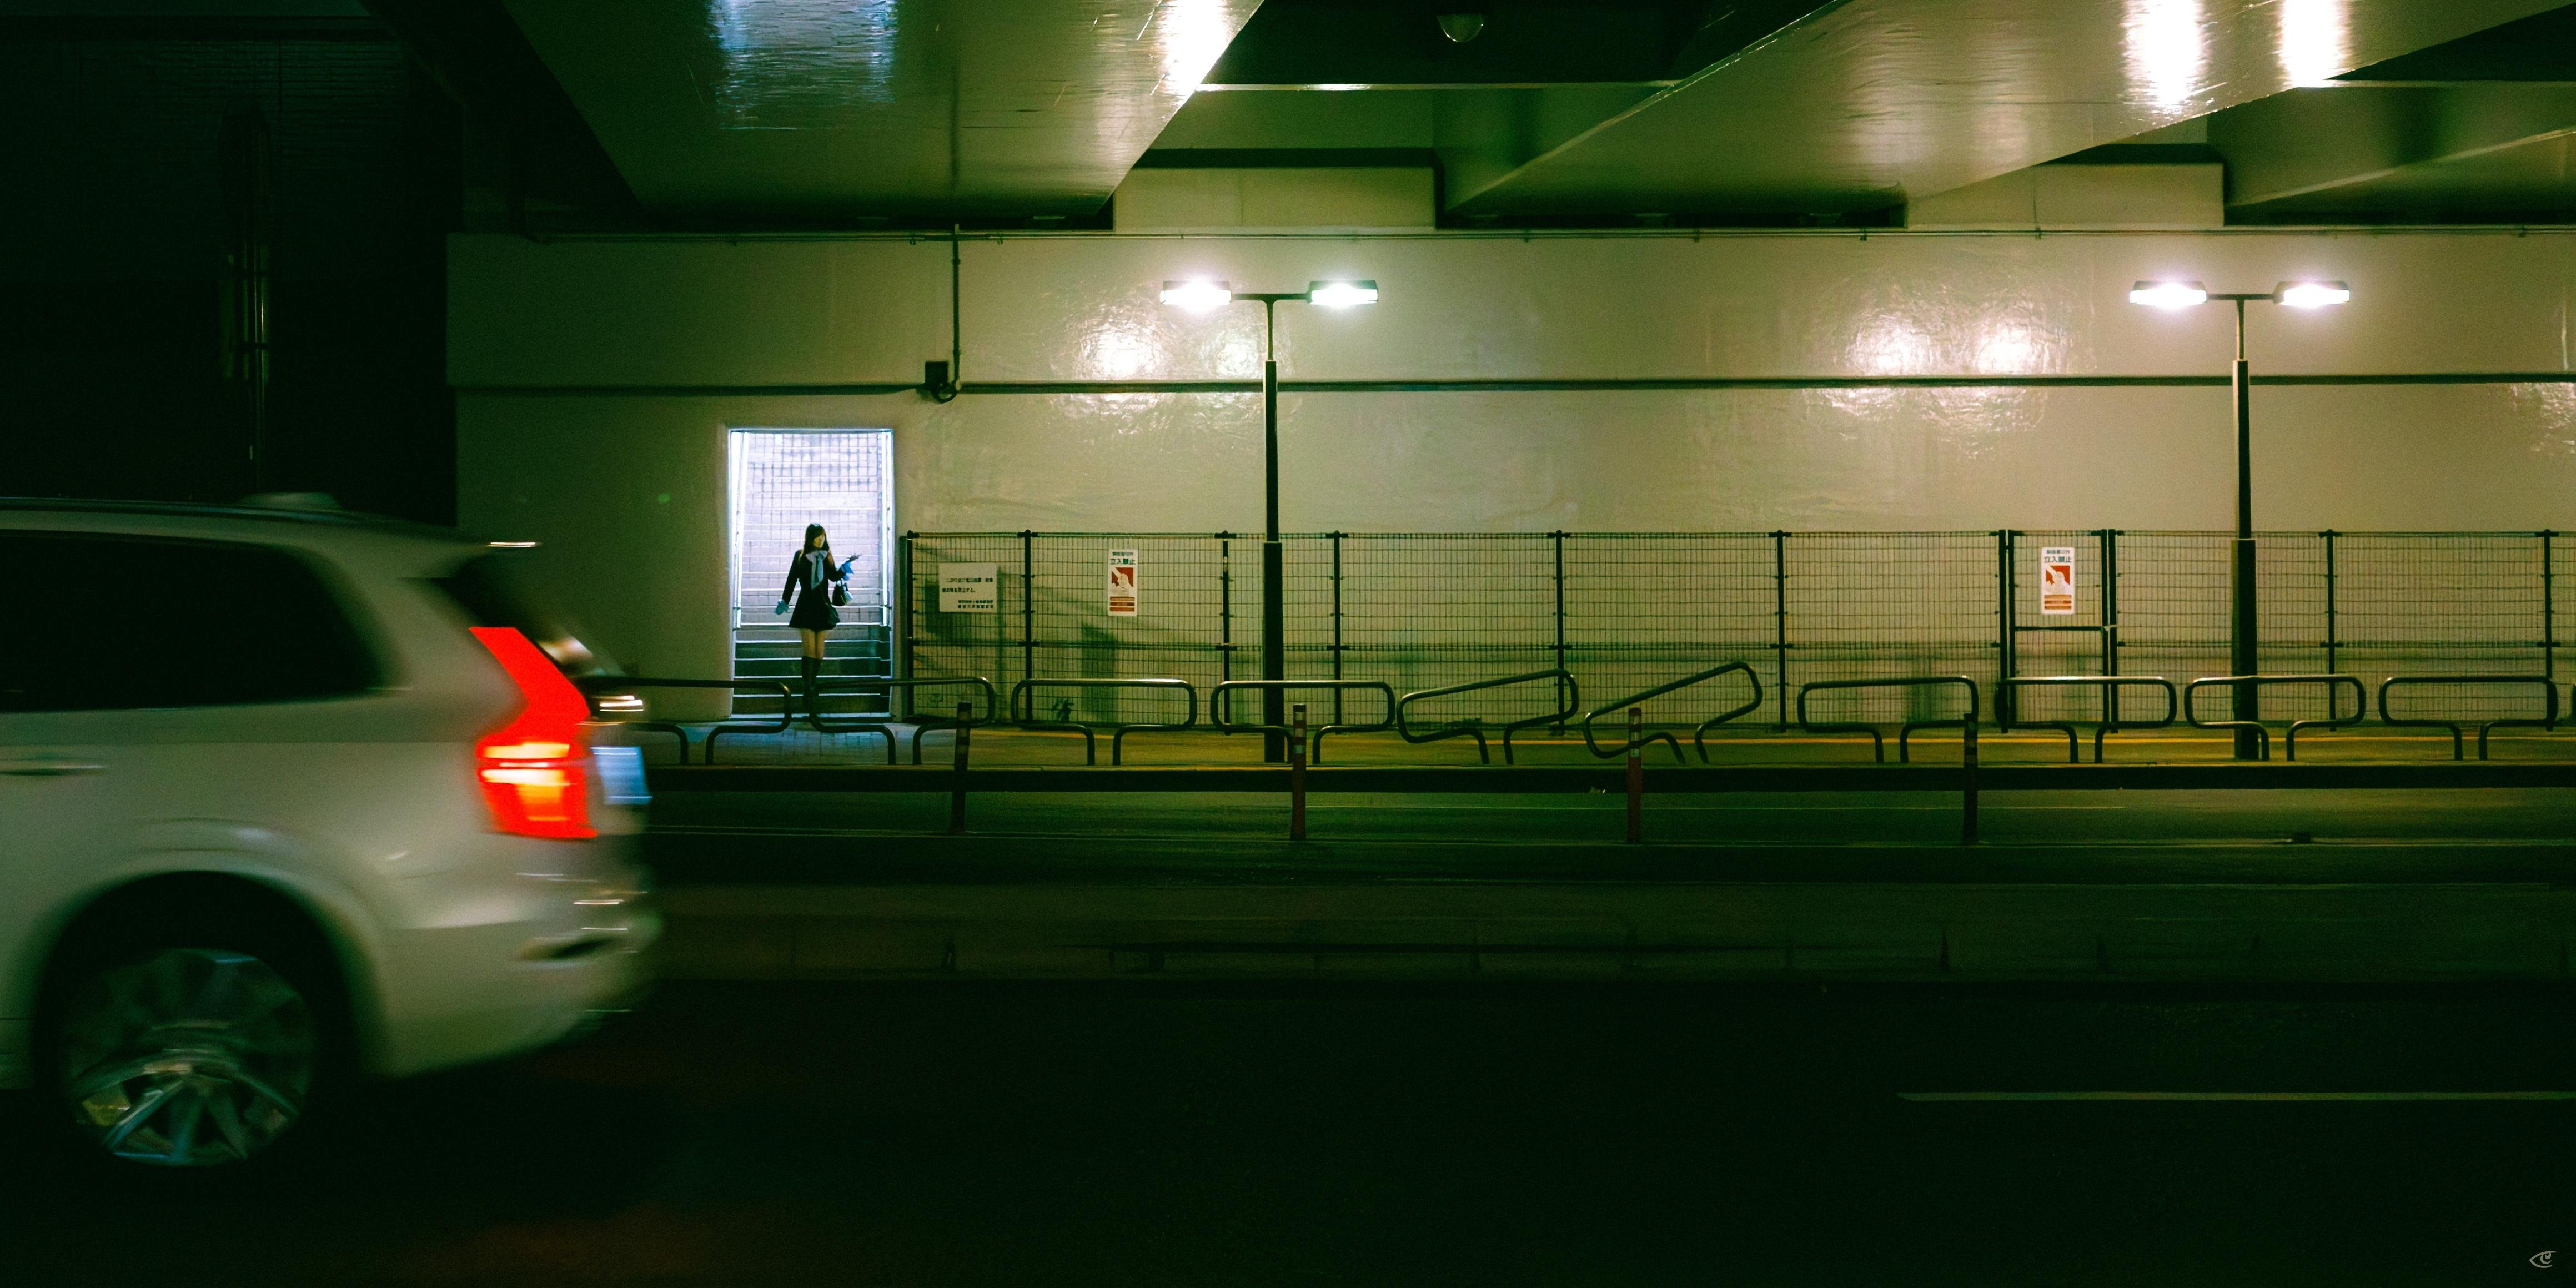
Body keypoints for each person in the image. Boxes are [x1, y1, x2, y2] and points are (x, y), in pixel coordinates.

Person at [774, 524, 855, 726]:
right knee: (809, 651)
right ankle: (809, 693)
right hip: (805, 607)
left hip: (822, 607)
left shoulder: (827, 555)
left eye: (823, 536)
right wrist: (785, 601)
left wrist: (846, 566)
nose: (821, 539)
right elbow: (791, 579)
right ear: (810, 538)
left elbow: (834, 577)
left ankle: (810, 687)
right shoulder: (800, 556)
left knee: (819, 653)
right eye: (818, 536)